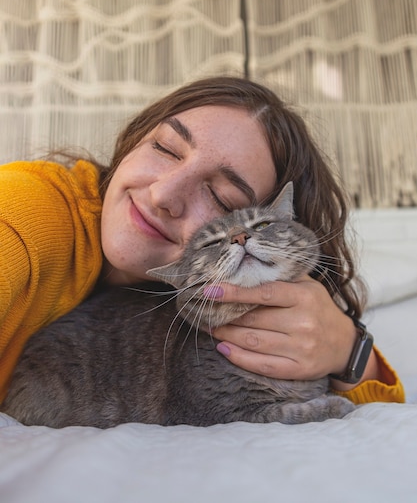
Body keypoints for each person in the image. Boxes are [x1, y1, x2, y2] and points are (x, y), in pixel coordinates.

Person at [0, 76, 404, 407]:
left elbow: (385, 420)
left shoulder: (187, 303)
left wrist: (347, 350)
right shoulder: (24, 215)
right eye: (165, 148)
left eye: (222, 199)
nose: (163, 194)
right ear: (133, 141)